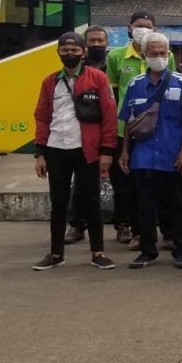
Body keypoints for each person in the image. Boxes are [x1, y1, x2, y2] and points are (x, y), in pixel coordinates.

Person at [32, 32, 118, 270]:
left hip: (87, 149)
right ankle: (56, 253)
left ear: (84, 52)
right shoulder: (50, 82)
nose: (70, 54)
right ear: (58, 52)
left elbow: (109, 116)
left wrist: (107, 151)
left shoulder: (98, 79)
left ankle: (98, 252)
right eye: (65, 50)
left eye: (75, 50)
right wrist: (39, 153)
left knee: (91, 201)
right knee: (59, 203)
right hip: (56, 148)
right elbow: (41, 117)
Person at [117, 32, 182, 269]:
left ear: (169, 53)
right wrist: (124, 152)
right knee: (145, 206)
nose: (159, 57)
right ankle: (147, 251)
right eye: (154, 53)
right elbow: (129, 121)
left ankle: (181, 250)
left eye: (163, 52)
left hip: (172, 155)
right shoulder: (135, 85)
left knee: (178, 205)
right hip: (142, 156)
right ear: (144, 55)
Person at [106, 10, 177, 248]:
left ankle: (168, 232)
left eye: (148, 25)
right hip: (128, 131)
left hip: (161, 131)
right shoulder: (116, 57)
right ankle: (140, 233)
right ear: (129, 28)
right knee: (134, 187)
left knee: (165, 183)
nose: (143, 29)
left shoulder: (168, 56)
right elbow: (114, 96)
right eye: (139, 25)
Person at [64, 25, 112, 244]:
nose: (96, 45)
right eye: (91, 41)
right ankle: (76, 225)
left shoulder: (114, 64)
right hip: (83, 131)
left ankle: (124, 224)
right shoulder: (77, 69)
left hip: (112, 127)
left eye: (100, 41)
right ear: (85, 46)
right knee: (80, 184)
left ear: (107, 43)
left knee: (121, 179)